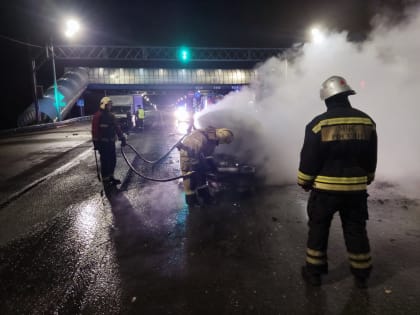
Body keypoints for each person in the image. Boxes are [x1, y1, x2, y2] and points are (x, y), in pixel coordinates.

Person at [298, 75, 377, 288]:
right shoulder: (366, 121)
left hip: (325, 191)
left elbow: (310, 158)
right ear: (347, 96)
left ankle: (314, 273)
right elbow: (370, 157)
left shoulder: (318, 124)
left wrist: (304, 180)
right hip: (356, 190)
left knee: (319, 228)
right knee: (355, 229)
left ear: (327, 99)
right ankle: (361, 274)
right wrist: (368, 176)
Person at [178, 126, 234, 206]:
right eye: (224, 140)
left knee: (201, 175)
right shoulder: (199, 137)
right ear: (220, 133)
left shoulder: (212, 139)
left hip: (197, 154)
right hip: (188, 155)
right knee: (190, 179)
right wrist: (196, 167)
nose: (222, 142)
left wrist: (210, 165)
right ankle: (191, 200)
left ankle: (203, 194)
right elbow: (192, 152)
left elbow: (207, 154)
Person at [92, 96, 127, 186]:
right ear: (104, 105)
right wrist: (96, 143)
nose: (110, 106)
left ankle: (111, 176)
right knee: (105, 161)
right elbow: (95, 130)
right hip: (103, 143)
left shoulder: (111, 116)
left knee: (113, 160)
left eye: (111, 105)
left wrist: (122, 137)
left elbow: (117, 128)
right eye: (109, 105)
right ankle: (105, 179)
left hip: (111, 142)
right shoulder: (98, 115)